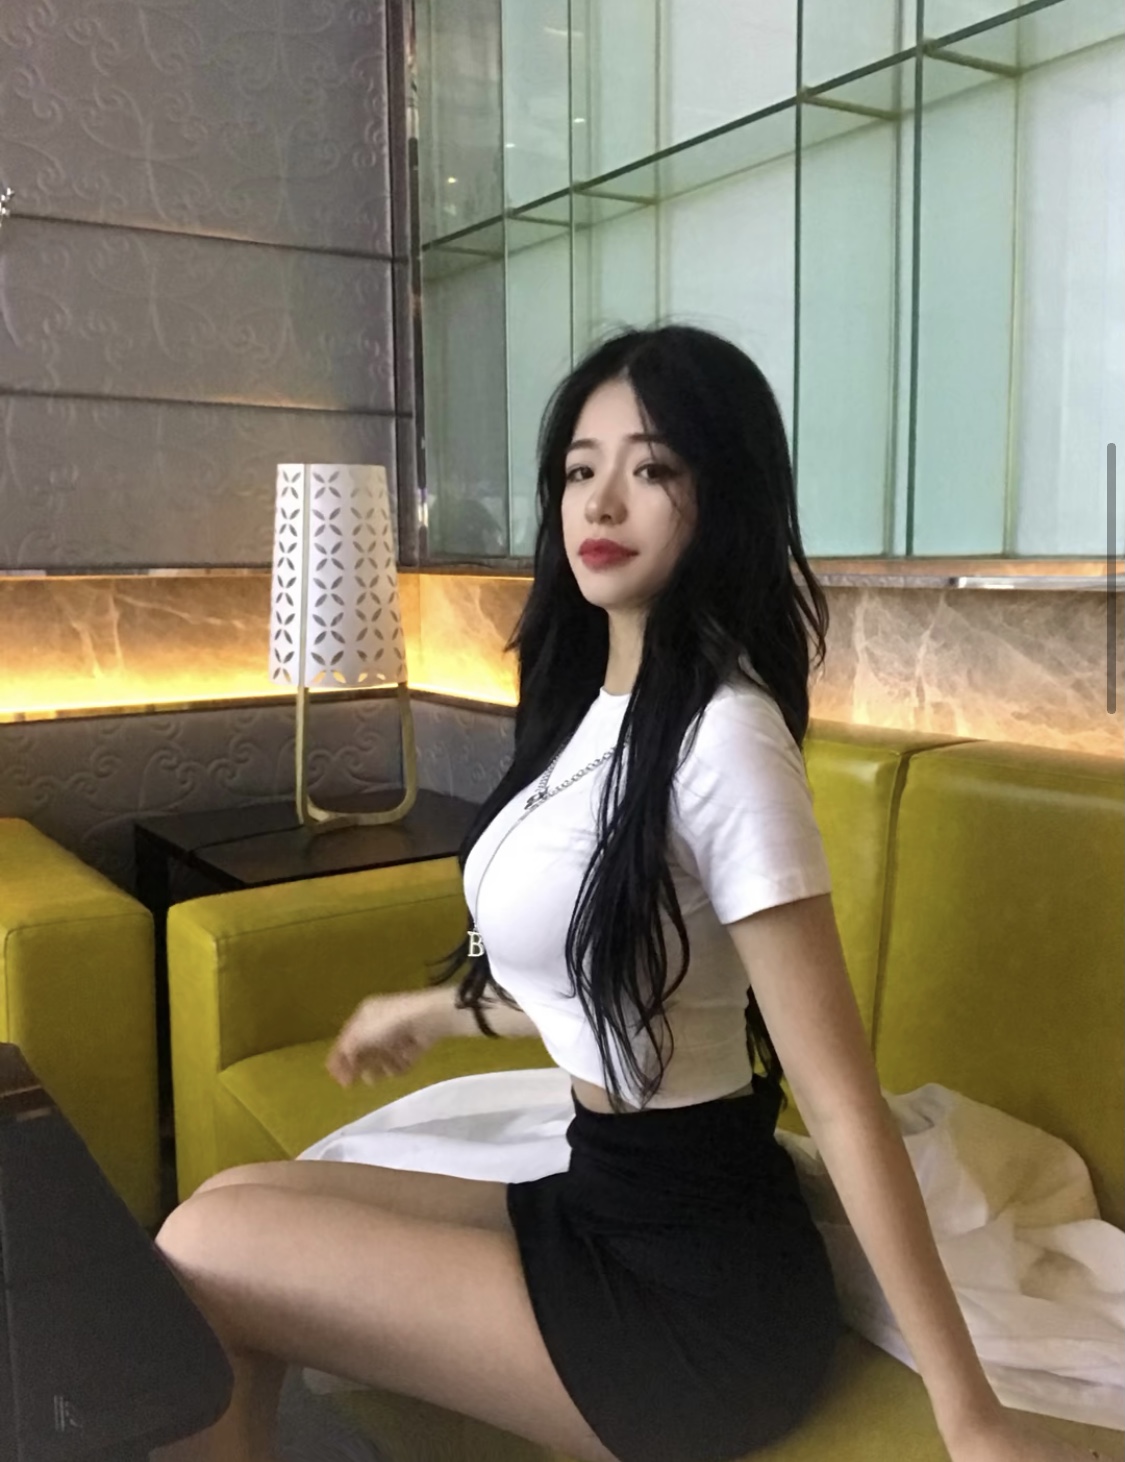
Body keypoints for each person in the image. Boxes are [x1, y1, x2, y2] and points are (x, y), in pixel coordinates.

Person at [151, 326, 1109, 1462]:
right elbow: (611, 979)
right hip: (601, 1201)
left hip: (702, 1300)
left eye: (651, 467)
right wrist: (432, 1010)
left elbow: (840, 1098)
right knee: (224, 1205)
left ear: (722, 495)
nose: (601, 501)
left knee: (203, 1254)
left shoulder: (726, 739)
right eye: (579, 469)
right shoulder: (585, 718)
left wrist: (972, 1418)